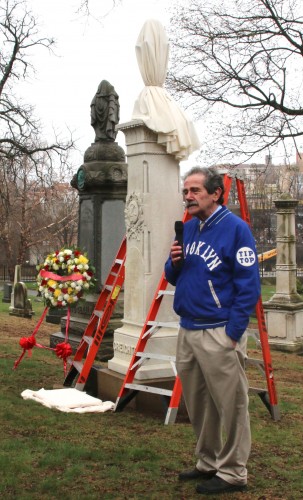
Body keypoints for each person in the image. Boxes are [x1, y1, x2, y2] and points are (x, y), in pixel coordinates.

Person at [164, 167, 261, 496]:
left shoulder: (237, 230)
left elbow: (248, 285)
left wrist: (233, 332)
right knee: (199, 403)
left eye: (194, 190)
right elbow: (174, 276)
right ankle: (207, 461)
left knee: (231, 404)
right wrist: (174, 262)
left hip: (219, 332)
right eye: (185, 191)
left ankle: (233, 472)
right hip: (188, 329)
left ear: (216, 193)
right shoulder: (188, 229)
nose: (187, 196)